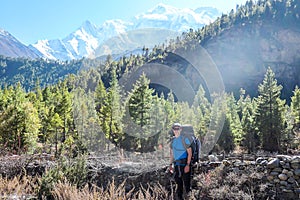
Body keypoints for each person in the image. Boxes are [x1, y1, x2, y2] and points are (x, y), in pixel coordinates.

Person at [169, 123, 192, 200]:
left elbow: (190, 153)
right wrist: (170, 164)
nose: (176, 131)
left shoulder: (184, 139)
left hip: (184, 165)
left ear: (181, 129)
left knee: (187, 185)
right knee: (179, 186)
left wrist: (188, 165)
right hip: (176, 165)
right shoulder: (172, 140)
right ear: (173, 130)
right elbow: (171, 154)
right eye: (175, 129)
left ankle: (190, 198)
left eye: (178, 129)